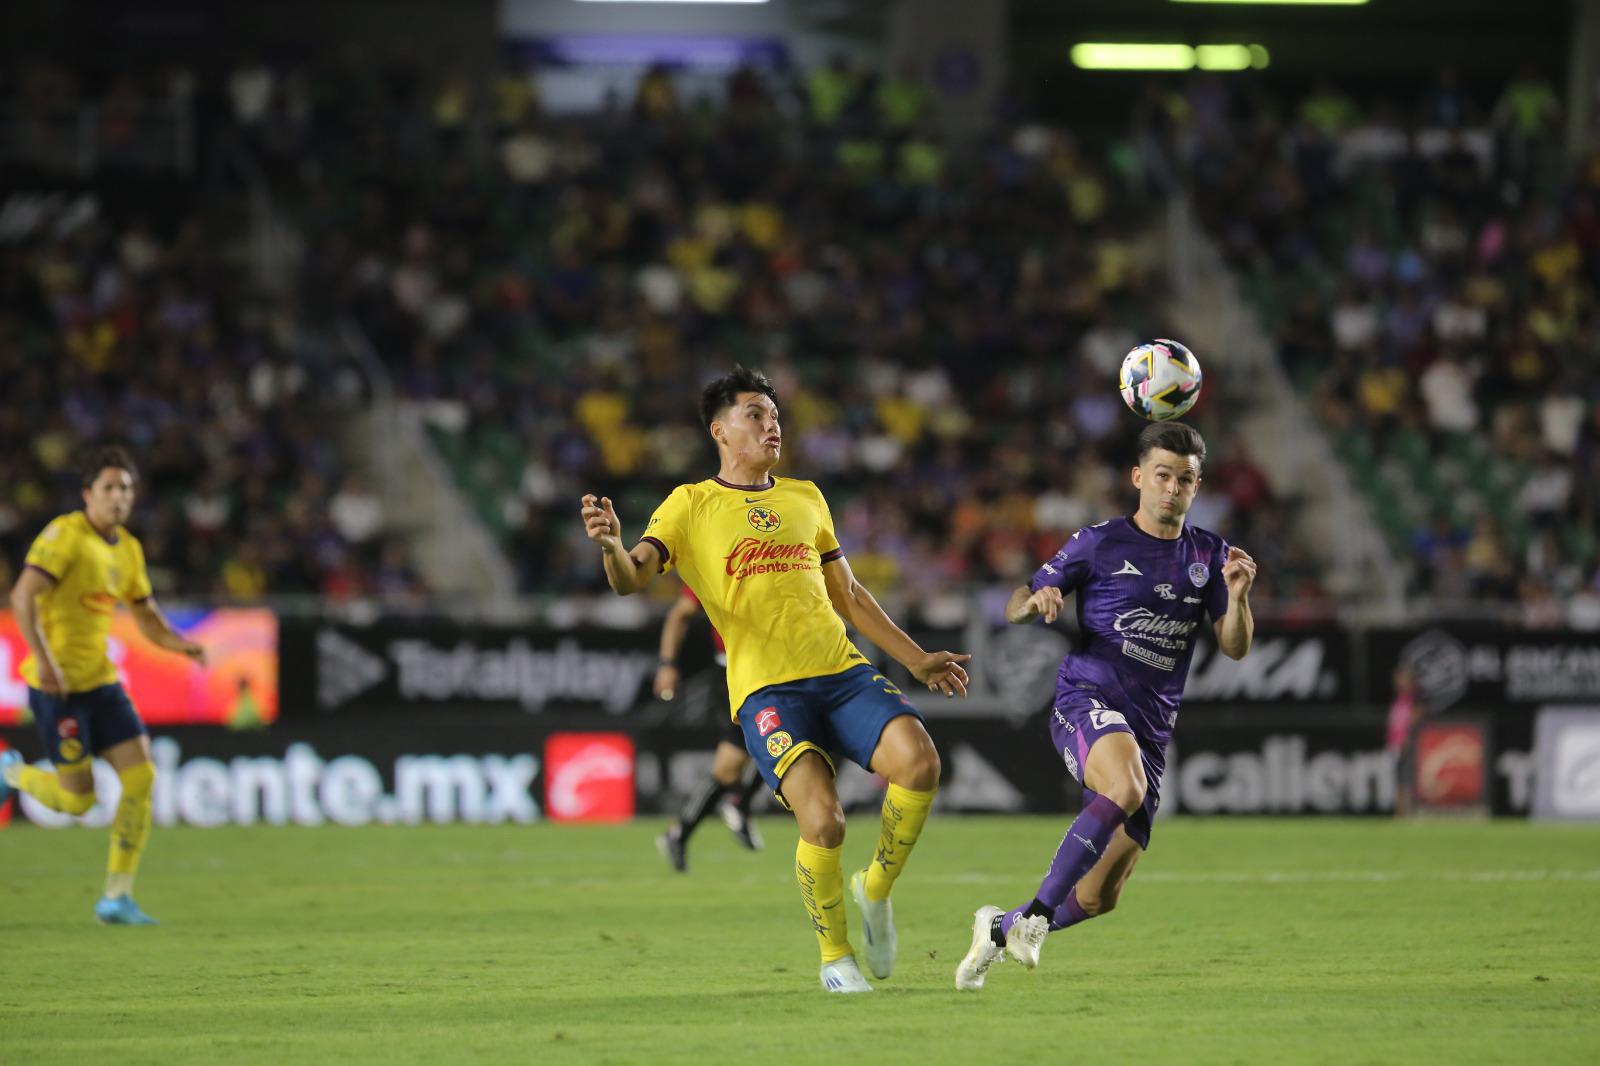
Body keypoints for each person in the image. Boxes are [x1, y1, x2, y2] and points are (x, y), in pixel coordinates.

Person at [580, 365, 970, 994]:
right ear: (719, 429)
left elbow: (849, 593)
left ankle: (874, 891)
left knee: (920, 762)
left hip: (840, 671)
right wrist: (610, 548)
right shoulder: (689, 504)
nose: (771, 425)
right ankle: (835, 957)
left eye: (775, 415)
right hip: (767, 691)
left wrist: (916, 655)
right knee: (825, 824)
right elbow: (633, 577)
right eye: (755, 414)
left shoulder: (806, 497)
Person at [955, 422, 1257, 990]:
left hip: (1150, 729)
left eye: (1185, 479)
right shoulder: (1098, 542)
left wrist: (1238, 598)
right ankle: (1036, 920)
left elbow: (1236, 646)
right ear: (1138, 477)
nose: (1172, 488)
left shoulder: (1210, 554)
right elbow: (1018, 600)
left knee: (1099, 897)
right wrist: (1034, 603)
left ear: (1197, 486)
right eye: (1163, 475)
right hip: (1086, 699)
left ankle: (999, 928)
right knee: (1126, 787)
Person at [0, 447, 206, 925]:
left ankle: (116, 897)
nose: (118, 497)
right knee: (78, 800)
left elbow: (146, 615)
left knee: (142, 778)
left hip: (102, 685)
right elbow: (22, 594)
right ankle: (10, 772)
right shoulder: (64, 535)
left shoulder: (128, 549)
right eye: (109, 487)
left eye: (126, 489)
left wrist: (181, 646)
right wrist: (44, 660)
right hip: (58, 690)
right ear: (88, 493)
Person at [654, 580, 764, 870]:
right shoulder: (713, 562)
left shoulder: (775, 554)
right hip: (734, 673)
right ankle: (739, 802)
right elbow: (680, 614)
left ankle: (678, 834)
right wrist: (667, 664)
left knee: (728, 768)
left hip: (771, 667)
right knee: (789, 734)